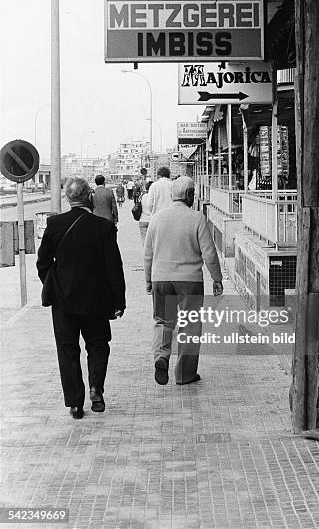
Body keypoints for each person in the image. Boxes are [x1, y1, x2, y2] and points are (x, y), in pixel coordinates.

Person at [36, 177, 126, 419]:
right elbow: (114, 268)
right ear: (89, 197)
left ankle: (75, 404)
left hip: (63, 303)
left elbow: (42, 263)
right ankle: (96, 388)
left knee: (67, 350)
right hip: (96, 302)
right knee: (98, 346)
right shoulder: (104, 227)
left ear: (68, 198)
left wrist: (54, 285)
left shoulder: (54, 224)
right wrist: (119, 301)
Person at [144, 176, 223, 386]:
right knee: (190, 325)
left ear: (172, 195)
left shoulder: (157, 218)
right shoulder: (197, 218)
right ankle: (184, 375)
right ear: (189, 195)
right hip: (190, 281)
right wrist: (217, 278)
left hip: (161, 278)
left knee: (163, 321)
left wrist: (148, 280)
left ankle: (161, 356)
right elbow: (210, 253)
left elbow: (148, 254)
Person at [138, 180, 153, 245]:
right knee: (153, 241)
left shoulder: (142, 196)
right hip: (152, 220)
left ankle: (146, 254)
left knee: (144, 241)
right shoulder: (154, 197)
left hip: (143, 220)